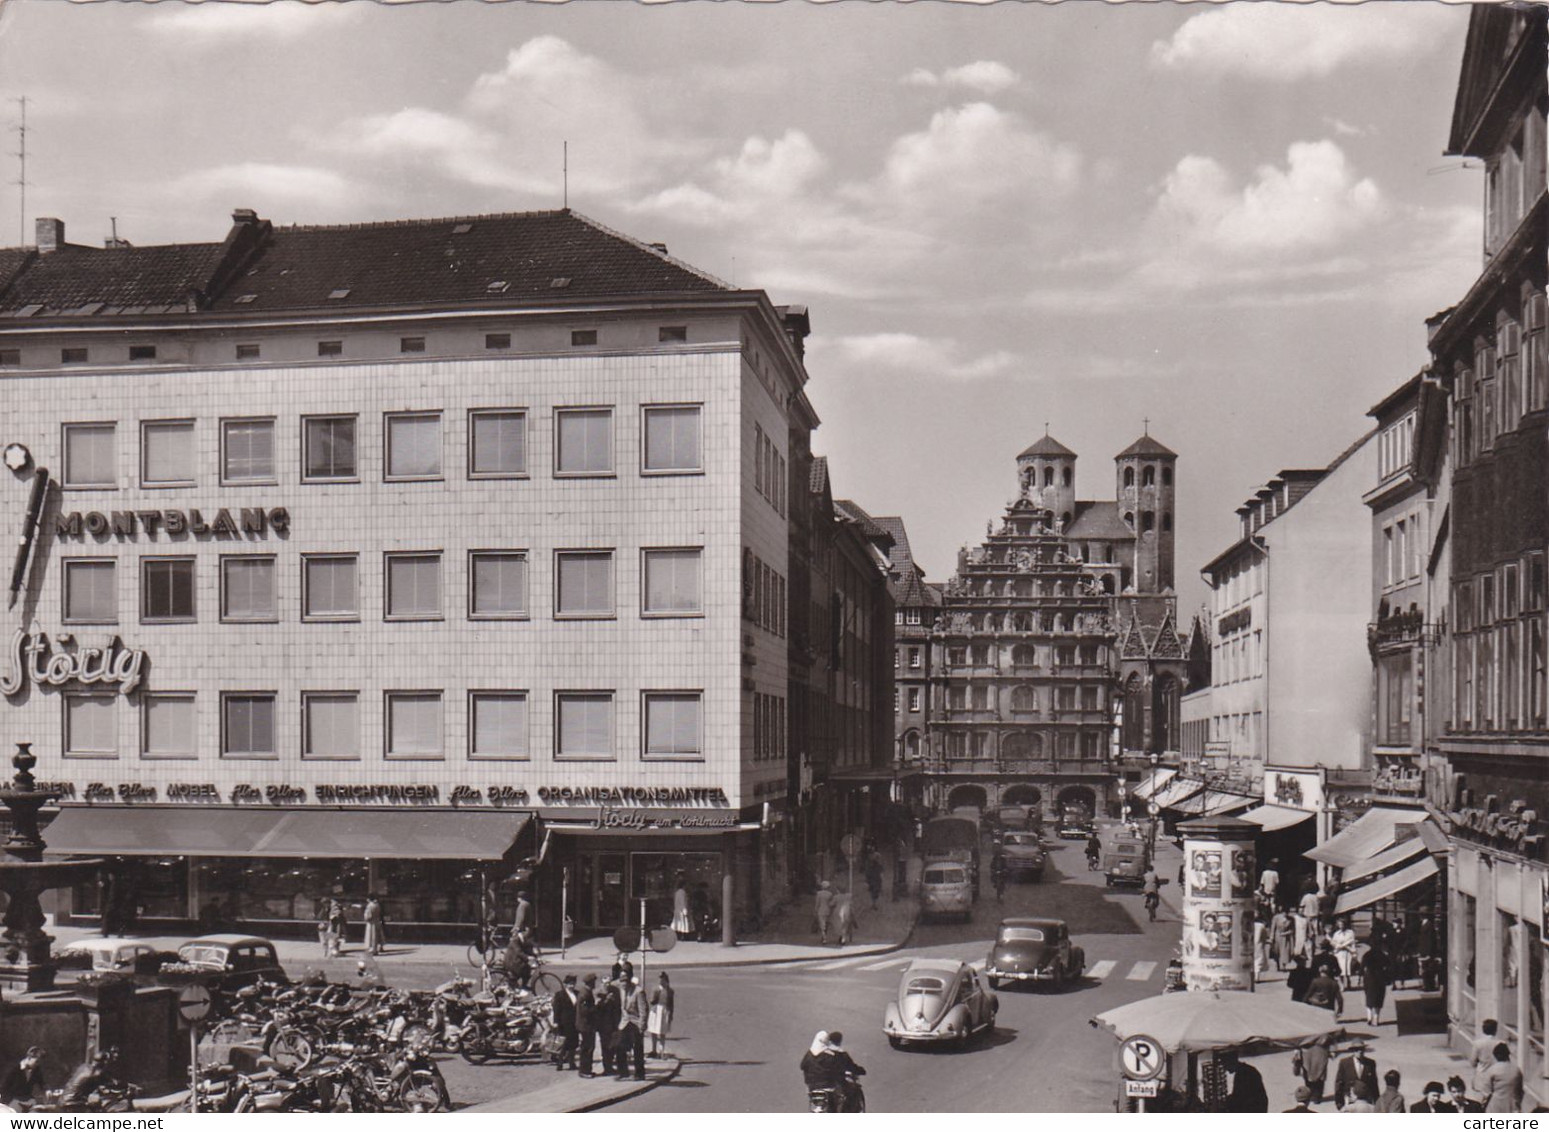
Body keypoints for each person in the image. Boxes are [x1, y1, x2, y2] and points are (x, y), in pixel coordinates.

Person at [799, 1031, 865, 1112]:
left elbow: (802, 1066)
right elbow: (839, 1068)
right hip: (829, 1085)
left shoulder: (808, 1055)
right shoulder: (831, 1056)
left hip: (811, 1087)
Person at [616, 977, 648, 1081]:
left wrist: (642, 1026)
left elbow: (643, 1011)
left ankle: (639, 1074)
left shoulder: (638, 991)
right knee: (620, 1046)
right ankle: (623, 1073)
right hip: (624, 1022)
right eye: (621, 981)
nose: (623, 983)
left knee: (637, 1049)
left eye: (625, 980)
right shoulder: (620, 990)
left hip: (635, 1022)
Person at [1480, 1042, 1524, 1112]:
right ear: (1508, 1054)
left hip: (1495, 1107)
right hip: (1512, 1106)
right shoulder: (1517, 1070)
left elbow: (1486, 1093)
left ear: (1496, 1056)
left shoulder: (1492, 1070)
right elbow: (1520, 1091)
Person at [1333, 1042, 1378, 1110]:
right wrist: (1339, 1103)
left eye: (1361, 1049)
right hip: (1350, 1099)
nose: (1359, 1052)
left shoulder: (1370, 1063)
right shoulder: (1345, 1063)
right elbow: (1339, 1083)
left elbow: (1374, 1084)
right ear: (1353, 1051)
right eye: (1356, 1050)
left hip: (1366, 1101)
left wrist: (1377, 1102)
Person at [1359, 936, 1390, 1026]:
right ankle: (1376, 1018)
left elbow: (1361, 968)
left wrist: (1360, 977)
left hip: (1369, 977)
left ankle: (1369, 1017)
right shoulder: (1383, 955)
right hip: (1380, 977)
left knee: (1369, 997)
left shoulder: (1367, 955)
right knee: (1378, 998)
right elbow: (1388, 966)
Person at [551, 975, 578, 1072]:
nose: (572, 986)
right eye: (570, 984)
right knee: (563, 1044)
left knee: (573, 1044)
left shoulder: (577, 994)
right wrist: (556, 1022)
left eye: (573, 984)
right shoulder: (560, 995)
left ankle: (572, 1062)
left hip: (574, 1022)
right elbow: (556, 1010)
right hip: (564, 1022)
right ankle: (560, 1063)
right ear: (565, 984)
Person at [575, 974, 600, 1078]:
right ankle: (584, 1070)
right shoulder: (585, 994)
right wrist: (596, 1006)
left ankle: (587, 1069)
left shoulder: (585, 992)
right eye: (593, 982)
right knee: (587, 1048)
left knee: (589, 1047)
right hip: (586, 1025)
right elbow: (585, 1011)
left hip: (587, 1025)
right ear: (591, 983)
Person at [1293, 1034, 1330, 1104]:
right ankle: (1316, 1096)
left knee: (1309, 1074)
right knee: (1318, 1074)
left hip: (1308, 1049)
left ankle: (1312, 1095)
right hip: (1318, 1049)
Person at [647, 972, 674, 1058]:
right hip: (656, 1011)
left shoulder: (670, 991)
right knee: (654, 1031)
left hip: (665, 1011)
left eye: (663, 979)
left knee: (662, 1031)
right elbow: (652, 1001)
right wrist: (655, 995)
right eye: (660, 979)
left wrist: (671, 1015)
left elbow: (671, 1004)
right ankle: (654, 1050)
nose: (661, 981)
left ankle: (661, 1050)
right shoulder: (656, 989)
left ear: (666, 980)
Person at [1471, 1019, 1500, 1090]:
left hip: (1482, 1076)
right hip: (1496, 1077)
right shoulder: (1500, 1043)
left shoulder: (1478, 1043)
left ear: (1483, 1030)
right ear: (1495, 1030)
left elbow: (1473, 1062)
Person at [1330, 918, 1357, 987]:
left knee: (1347, 968)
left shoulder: (1350, 932)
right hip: (1339, 953)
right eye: (1339, 925)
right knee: (1340, 969)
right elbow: (1333, 943)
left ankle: (1348, 983)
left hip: (1347, 952)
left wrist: (1353, 952)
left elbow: (1352, 942)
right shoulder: (1336, 934)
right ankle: (1341, 985)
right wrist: (1338, 946)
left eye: (1342, 924)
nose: (1341, 926)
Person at [670, 873, 694, 940]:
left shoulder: (677, 892)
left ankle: (678, 935)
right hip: (682, 909)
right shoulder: (683, 892)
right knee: (683, 923)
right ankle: (683, 936)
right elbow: (684, 902)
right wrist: (685, 910)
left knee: (678, 923)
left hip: (677, 909)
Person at [814, 880, 836, 945]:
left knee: (822, 925)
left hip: (821, 910)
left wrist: (815, 910)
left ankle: (824, 938)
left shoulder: (819, 893)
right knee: (826, 924)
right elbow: (831, 903)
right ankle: (824, 936)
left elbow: (817, 903)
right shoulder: (830, 894)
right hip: (828, 910)